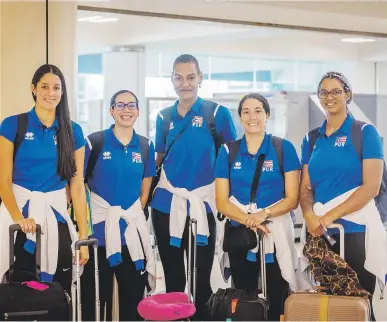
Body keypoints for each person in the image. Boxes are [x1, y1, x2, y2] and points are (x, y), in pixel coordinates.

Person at [150, 54, 237, 320]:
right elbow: (159, 160)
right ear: (172, 80)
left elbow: (231, 159)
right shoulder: (163, 117)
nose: (184, 83)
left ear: (200, 78)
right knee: (174, 281)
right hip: (166, 206)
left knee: (201, 281)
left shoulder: (217, 114)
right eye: (178, 77)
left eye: (190, 77)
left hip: (203, 207)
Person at [299, 71, 387, 321]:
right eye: (324, 92)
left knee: (358, 304)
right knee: (327, 306)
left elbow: (371, 186)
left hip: (356, 232)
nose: (330, 97)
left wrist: (329, 217)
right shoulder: (311, 138)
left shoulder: (365, 132)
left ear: (347, 94)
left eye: (336, 91)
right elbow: (305, 188)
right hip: (320, 233)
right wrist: (308, 215)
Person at [0, 64, 89, 294]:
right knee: (17, 289)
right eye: (45, 87)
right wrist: (19, 219)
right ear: (33, 89)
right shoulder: (12, 125)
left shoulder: (73, 131)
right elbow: (4, 180)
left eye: (56, 88)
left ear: (63, 92)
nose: (51, 93)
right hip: (16, 216)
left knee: (57, 288)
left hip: (55, 217)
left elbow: (77, 188)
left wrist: (83, 236)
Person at [215, 93, 300, 321]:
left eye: (258, 111)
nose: (252, 116)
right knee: (244, 297)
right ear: (240, 117)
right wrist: (249, 220)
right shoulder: (227, 152)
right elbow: (221, 201)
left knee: (277, 294)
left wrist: (263, 214)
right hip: (240, 235)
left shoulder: (283, 148)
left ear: (267, 115)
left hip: (275, 231)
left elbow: (293, 199)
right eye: (246, 111)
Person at [81, 90, 156, 321]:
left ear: (138, 111)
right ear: (111, 110)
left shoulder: (145, 146)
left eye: (131, 105)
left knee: (133, 302)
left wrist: (128, 218)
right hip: (98, 238)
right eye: (120, 105)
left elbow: (144, 193)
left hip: (131, 238)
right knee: (93, 301)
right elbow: (76, 186)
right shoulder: (95, 142)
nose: (126, 110)